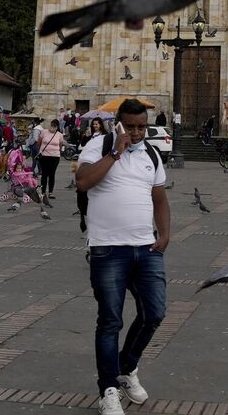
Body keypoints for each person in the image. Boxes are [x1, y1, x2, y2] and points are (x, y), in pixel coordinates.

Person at [76, 99, 170, 415]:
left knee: (154, 313)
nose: (137, 132)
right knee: (110, 321)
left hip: (146, 248)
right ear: (118, 124)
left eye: (142, 126)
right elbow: (83, 181)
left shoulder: (151, 154)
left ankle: (126, 367)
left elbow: (160, 198)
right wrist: (116, 152)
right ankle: (108, 389)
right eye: (130, 126)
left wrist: (165, 234)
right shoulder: (99, 146)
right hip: (107, 249)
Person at [36, 119, 66, 203]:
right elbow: (39, 142)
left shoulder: (59, 135)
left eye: (54, 126)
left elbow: (60, 145)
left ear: (57, 127)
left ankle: (50, 192)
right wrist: (41, 151)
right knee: (44, 174)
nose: (52, 128)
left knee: (52, 174)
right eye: (51, 125)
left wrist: (57, 152)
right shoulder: (44, 132)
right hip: (44, 156)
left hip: (55, 157)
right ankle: (43, 192)